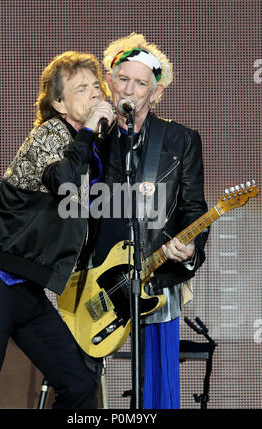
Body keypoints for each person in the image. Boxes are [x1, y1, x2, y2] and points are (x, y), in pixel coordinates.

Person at [0, 51, 115, 409]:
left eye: (97, 86)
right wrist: (91, 129)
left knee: (78, 386)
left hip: (29, 292)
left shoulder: (90, 149)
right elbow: (64, 181)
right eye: (82, 89)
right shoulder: (48, 135)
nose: (95, 94)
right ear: (60, 103)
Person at [85, 33, 210, 409]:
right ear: (110, 81)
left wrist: (189, 250)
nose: (131, 89)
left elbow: (194, 209)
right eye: (123, 78)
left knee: (154, 387)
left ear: (155, 94)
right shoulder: (91, 137)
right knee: (80, 381)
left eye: (142, 83)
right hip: (95, 280)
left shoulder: (180, 139)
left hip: (155, 276)